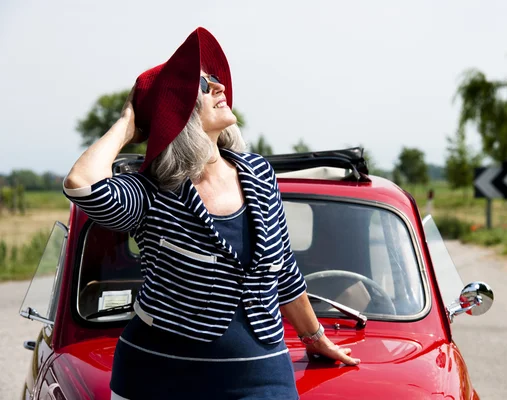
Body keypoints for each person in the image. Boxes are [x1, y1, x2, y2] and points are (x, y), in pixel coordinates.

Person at [63, 27, 360, 400]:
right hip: (156, 379)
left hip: (262, 376)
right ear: (177, 113)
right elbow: (81, 184)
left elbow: (282, 269)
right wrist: (128, 123)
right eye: (205, 86)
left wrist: (315, 338)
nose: (221, 88)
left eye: (217, 81)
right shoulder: (151, 192)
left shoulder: (259, 173)